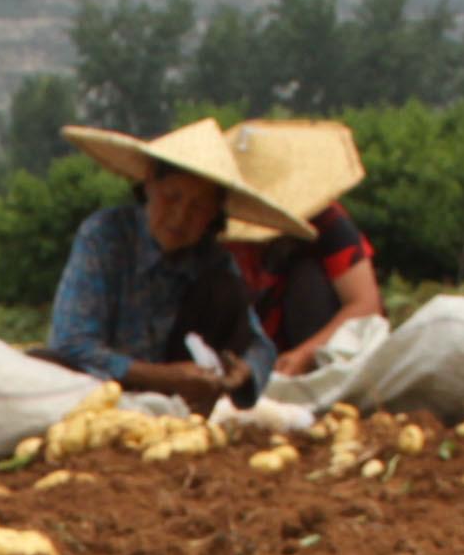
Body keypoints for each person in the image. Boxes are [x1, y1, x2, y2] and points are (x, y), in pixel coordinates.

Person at [41, 121, 305, 404]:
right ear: (150, 183)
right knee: (44, 363)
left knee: (224, 290)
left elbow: (260, 346)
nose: (180, 218)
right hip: (97, 387)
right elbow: (71, 344)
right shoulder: (104, 237)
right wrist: (160, 376)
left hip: (181, 397)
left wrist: (244, 371)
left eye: (198, 207)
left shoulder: (212, 259)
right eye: (172, 197)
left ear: (214, 214)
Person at [222, 119, 383, 379]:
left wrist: (305, 354)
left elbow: (365, 303)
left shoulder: (325, 220)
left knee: (309, 280)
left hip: (316, 342)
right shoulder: (217, 219)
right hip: (246, 345)